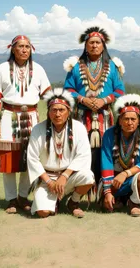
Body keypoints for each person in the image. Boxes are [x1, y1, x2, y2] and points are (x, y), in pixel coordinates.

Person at [0, 35, 51, 214]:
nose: (24, 50)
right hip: (9, 115)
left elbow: (48, 94)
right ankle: (10, 199)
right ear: (13, 49)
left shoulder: (38, 69)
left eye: (27, 47)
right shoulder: (2, 68)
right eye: (20, 46)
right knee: (8, 158)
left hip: (32, 116)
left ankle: (23, 197)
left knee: (29, 157)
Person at [63, 26, 125, 185]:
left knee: (107, 151)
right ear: (85, 45)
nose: (94, 46)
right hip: (82, 117)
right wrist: (83, 99)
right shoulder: (75, 66)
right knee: (81, 151)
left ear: (103, 45)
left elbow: (119, 90)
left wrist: (103, 101)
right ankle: (81, 188)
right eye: (91, 43)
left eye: (98, 42)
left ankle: (104, 189)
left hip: (105, 117)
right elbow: (68, 89)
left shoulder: (113, 66)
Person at [27, 88, 95, 218]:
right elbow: (33, 159)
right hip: (48, 179)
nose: (57, 114)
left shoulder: (79, 128)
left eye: (61, 110)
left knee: (88, 176)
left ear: (69, 111)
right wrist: (49, 182)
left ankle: (73, 202)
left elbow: (83, 155)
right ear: (48, 112)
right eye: (54, 110)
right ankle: (55, 201)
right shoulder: (38, 129)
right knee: (42, 213)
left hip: (69, 177)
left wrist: (64, 176)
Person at [100, 94, 140, 217]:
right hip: (113, 180)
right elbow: (106, 162)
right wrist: (108, 191)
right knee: (106, 206)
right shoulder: (109, 135)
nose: (129, 123)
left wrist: (125, 174)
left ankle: (134, 202)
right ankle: (116, 198)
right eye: (126, 119)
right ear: (119, 120)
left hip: (133, 179)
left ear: (139, 120)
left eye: (133, 119)